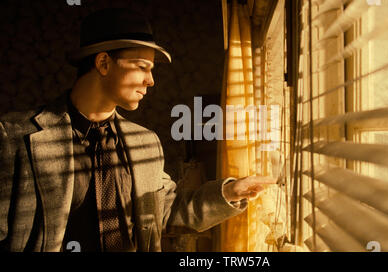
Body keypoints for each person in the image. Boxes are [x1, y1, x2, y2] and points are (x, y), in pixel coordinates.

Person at [0, 8, 275, 252]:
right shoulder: (15, 136)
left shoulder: (145, 142)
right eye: (142, 67)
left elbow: (164, 211)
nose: (151, 80)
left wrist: (230, 192)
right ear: (104, 63)